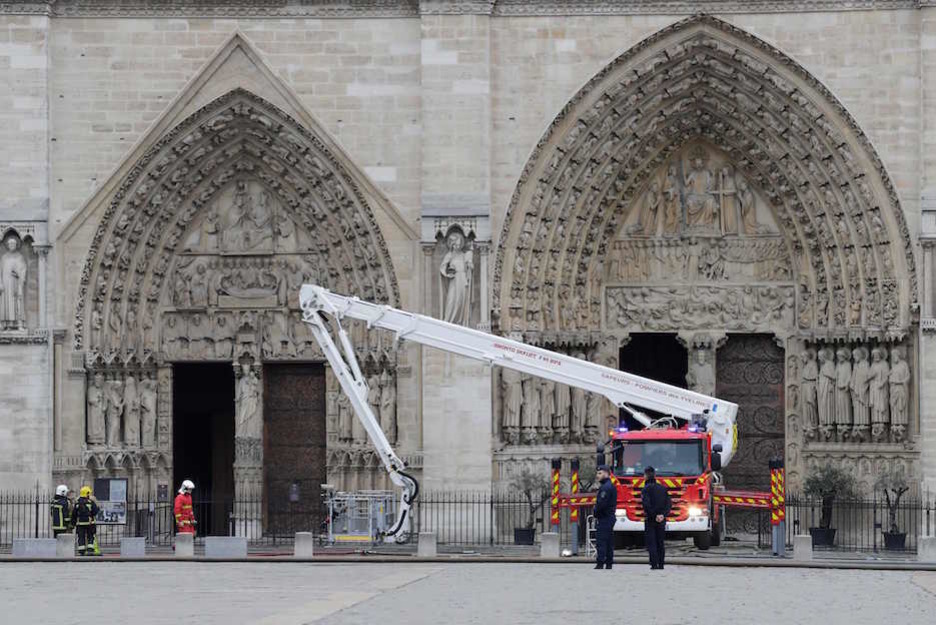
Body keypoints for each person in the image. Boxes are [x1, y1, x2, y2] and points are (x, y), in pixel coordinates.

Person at [641, 466, 671, 570]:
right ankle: (661, 563)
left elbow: (646, 504)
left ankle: (654, 564)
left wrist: (654, 515)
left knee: (651, 542)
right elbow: (668, 503)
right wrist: (663, 515)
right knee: (660, 542)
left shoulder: (646, 489)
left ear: (645, 476)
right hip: (661, 519)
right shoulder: (662, 488)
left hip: (650, 519)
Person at [593, 464, 617, 570]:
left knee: (602, 541)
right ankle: (609, 563)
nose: (597, 475)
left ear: (606, 474)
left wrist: (595, 513)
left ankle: (600, 562)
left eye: (600, 473)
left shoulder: (605, 488)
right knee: (608, 541)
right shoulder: (608, 486)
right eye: (597, 473)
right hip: (609, 517)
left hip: (605, 517)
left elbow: (601, 504)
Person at [73, 486, 100, 557]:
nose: (89, 495)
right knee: (90, 536)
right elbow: (95, 512)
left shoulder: (77, 503)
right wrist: (97, 507)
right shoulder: (90, 502)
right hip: (90, 523)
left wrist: (73, 523)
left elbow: (74, 514)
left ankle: (81, 550)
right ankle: (90, 549)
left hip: (80, 524)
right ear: (87, 493)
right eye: (89, 493)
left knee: (81, 537)